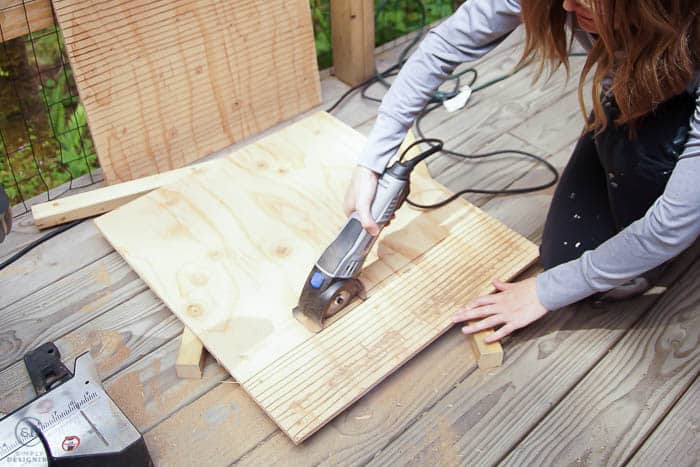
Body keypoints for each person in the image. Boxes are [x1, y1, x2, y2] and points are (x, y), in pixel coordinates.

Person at [343, 0, 700, 343]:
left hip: (680, 112)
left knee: (609, 277)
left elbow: (671, 222)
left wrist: (543, 292)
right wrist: (372, 161)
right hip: (635, 92)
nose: (566, 8)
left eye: (588, 2)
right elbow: (446, 43)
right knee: (565, 256)